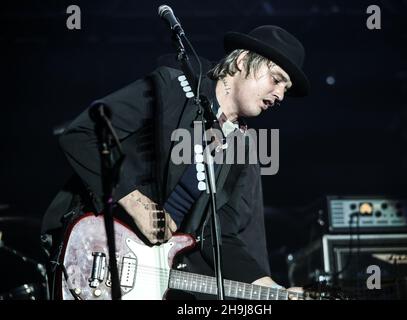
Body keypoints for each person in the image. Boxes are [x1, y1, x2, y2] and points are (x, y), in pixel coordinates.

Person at [40, 25, 310, 299]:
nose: (279, 95)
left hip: (148, 279)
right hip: (94, 248)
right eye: (276, 80)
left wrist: (277, 291)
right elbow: (83, 134)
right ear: (242, 62)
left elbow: (220, 237)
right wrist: (134, 201)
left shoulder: (241, 149)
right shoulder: (170, 88)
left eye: (286, 90)